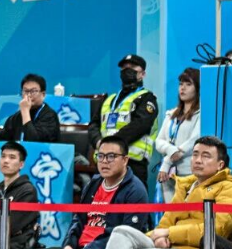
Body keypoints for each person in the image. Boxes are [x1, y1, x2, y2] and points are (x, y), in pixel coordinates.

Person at [105, 136, 232, 249]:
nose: (198, 160)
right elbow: (163, 226)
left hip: (190, 246)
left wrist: (169, 234)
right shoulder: (184, 186)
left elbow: (216, 230)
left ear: (220, 165)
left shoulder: (227, 188)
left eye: (206, 156)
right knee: (121, 232)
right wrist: (158, 238)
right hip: (167, 245)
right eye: (195, 154)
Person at [63, 136, 149, 249]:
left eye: (111, 156)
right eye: (100, 156)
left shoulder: (136, 191)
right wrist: (69, 244)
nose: (104, 161)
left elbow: (125, 237)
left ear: (125, 160)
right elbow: (78, 220)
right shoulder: (92, 184)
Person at [89, 54, 159, 186]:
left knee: (132, 199)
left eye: (132, 67)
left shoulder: (147, 98)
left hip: (133, 163)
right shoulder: (109, 99)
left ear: (142, 74)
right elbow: (94, 125)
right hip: (104, 162)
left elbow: (140, 125)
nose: (127, 70)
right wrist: (99, 142)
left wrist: (111, 144)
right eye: (124, 68)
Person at [154, 68, 201, 203]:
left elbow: (194, 141)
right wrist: (170, 150)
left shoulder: (201, 113)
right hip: (168, 173)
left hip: (189, 173)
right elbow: (159, 141)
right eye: (181, 84)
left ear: (197, 88)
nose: (183, 88)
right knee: (170, 212)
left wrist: (167, 161)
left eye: (188, 84)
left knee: (188, 211)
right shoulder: (171, 114)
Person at [0, 74, 61, 143]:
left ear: (43, 94)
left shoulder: (50, 116)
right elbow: (1, 139)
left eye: (33, 91)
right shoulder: (16, 117)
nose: (29, 95)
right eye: (26, 91)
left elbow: (34, 142)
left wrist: (25, 111)